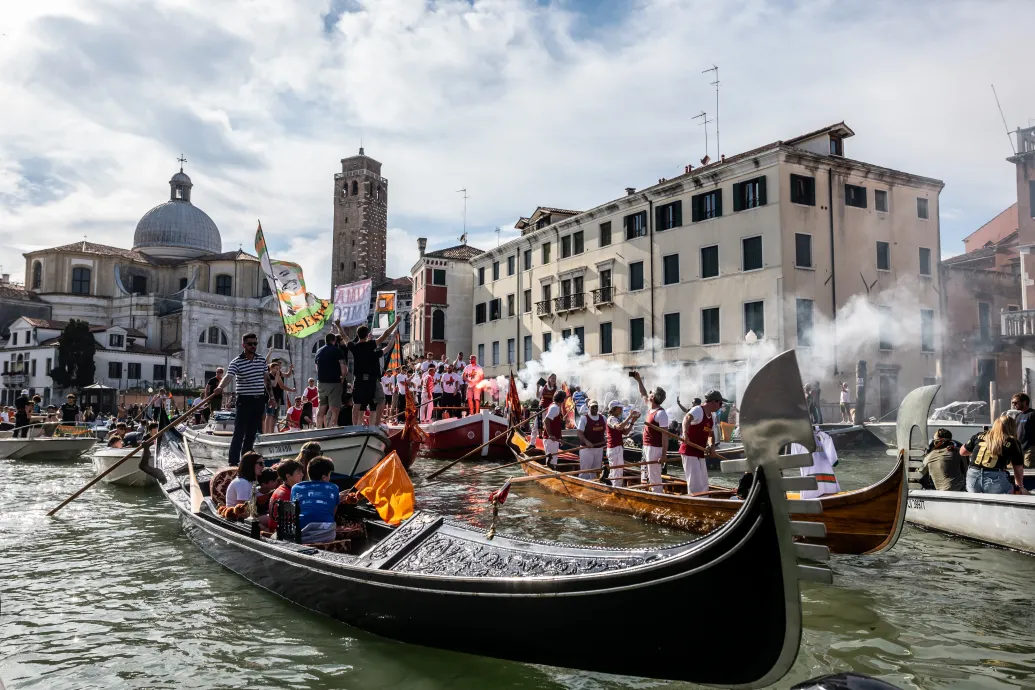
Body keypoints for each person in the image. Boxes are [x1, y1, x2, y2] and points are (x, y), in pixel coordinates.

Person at [215, 333, 271, 466]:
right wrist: (220, 387)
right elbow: (229, 376)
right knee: (239, 432)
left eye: (255, 344)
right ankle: (233, 462)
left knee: (251, 433)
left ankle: (246, 461)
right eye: (250, 344)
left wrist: (272, 397)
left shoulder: (262, 360)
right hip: (244, 400)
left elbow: (267, 380)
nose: (253, 346)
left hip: (259, 400)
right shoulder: (236, 361)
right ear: (244, 345)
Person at [961, 414, 1029, 495]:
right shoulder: (1012, 441)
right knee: (1014, 495)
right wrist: (1020, 487)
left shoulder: (979, 435)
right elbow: (1018, 467)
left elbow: (962, 452)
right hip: (995, 478)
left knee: (976, 503)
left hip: (973, 477)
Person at [347, 322, 398, 426]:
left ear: (357, 335)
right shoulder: (373, 352)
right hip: (371, 381)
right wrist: (394, 333)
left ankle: (356, 426)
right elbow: (386, 340)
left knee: (359, 405)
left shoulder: (355, 347)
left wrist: (339, 326)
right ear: (367, 335)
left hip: (359, 380)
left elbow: (344, 336)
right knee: (376, 403)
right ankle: (374, 425)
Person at [679, 391, 725, 494]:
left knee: (704, 484)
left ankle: (704, 501)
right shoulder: (698, 410)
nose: (720, 406)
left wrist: (711, 447)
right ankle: (695, 504)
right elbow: (687, 418)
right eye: (720, 403)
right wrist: (685, 434)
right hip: (689, 452)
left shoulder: (712, 417)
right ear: (713, 402)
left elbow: (711, 435)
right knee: (695, 484)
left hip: (700, 453)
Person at [292, 456, 346, 544]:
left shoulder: (295, 488)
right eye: (329, 475)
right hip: (326, 534)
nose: (329, 478)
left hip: (300, 533)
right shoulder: (334, 487)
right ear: (324, 477)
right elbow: (332, 512)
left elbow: (294, 510)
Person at [632, 371, 667, 494]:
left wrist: (663, 455)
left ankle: (658, 494)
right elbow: (643, 393)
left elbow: (665, 435)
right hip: (646, 446)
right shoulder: (650, 407)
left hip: (655, 448)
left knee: (654, 474)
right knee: (645, 472)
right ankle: (648, 492)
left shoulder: (661, 413)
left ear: (653, 397)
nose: (649, 394)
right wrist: (639, 380)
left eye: (651, 392)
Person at [790, 426, 840, 499]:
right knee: (827, 490)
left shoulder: (797, 439)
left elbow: (795, 460)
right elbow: (834, 461)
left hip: (809, 473)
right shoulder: (825, 436)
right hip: (826, 476)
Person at [314, 332, 347, 428]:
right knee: (334, 408)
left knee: (322, 406)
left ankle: (319, 427)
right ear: (334, 340)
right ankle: (330, 427)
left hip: (321, 382)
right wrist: (342, 378)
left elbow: (317, 367)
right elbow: (343, 368)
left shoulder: (319, 351)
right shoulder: (337, 351)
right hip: (334, 382)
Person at [605, 401, 639, 487]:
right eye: (619, 409)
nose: (621, 410)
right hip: (614, 448)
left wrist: (632, 421)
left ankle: (611, 485)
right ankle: (616, 489)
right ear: (613, 409)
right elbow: (619, 427)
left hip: (618, 448)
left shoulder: (617, 419)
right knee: (617, 473)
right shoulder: (611, 419)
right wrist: (629, 416)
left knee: (617, 471)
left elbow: (626, 432)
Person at [268, 459, 305, 534]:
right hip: (282, 534)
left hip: (275, 529)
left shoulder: (281, 489)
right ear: (288, 476)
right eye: (299, 472)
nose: (302, 475)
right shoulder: (287, 494)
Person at [576, 400, 606, 479]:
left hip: (599, 448)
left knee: (595, 472)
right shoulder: (584, 419)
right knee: (584, 472)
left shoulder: (603, 418)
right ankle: (581, 487)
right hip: (587, 449)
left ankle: (593, 488)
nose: (595, 408)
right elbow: (579, 432)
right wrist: (586, 441)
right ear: (588, 407)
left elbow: (607, 432)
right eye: (593, 407)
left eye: (596, 406)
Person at [265, 359, 296, 434]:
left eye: (278, 368)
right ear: (271, 368)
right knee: (269, 415)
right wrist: (277, 376)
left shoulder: (277, 375)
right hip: (270, 397)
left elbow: (282, 385)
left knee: (274, 417)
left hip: (277, 397)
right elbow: (274, 385)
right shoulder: (268, 375)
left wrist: (291, 390)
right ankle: (266, 433)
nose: (278, 370)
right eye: (276, 368)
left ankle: (271, 433)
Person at [1010, 393, 1035, 468]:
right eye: (1013, 403)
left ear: (1025, 402)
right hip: (1019, 447)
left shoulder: (1033, 414)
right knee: (1018, 467)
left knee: (1029, 468)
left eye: (1016, 402)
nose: (1014, 405)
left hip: (1030, 448)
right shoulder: (1018, 415)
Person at [543, 390, 566, 467]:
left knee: (553, 461)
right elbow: (546, 420)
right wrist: (550, 435)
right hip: (550, 439)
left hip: (554, 439)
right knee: (552, 462)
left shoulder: (555, 407)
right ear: (562, 399)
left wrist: (560, 437)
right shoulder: (554, 408)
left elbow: (557, 424)